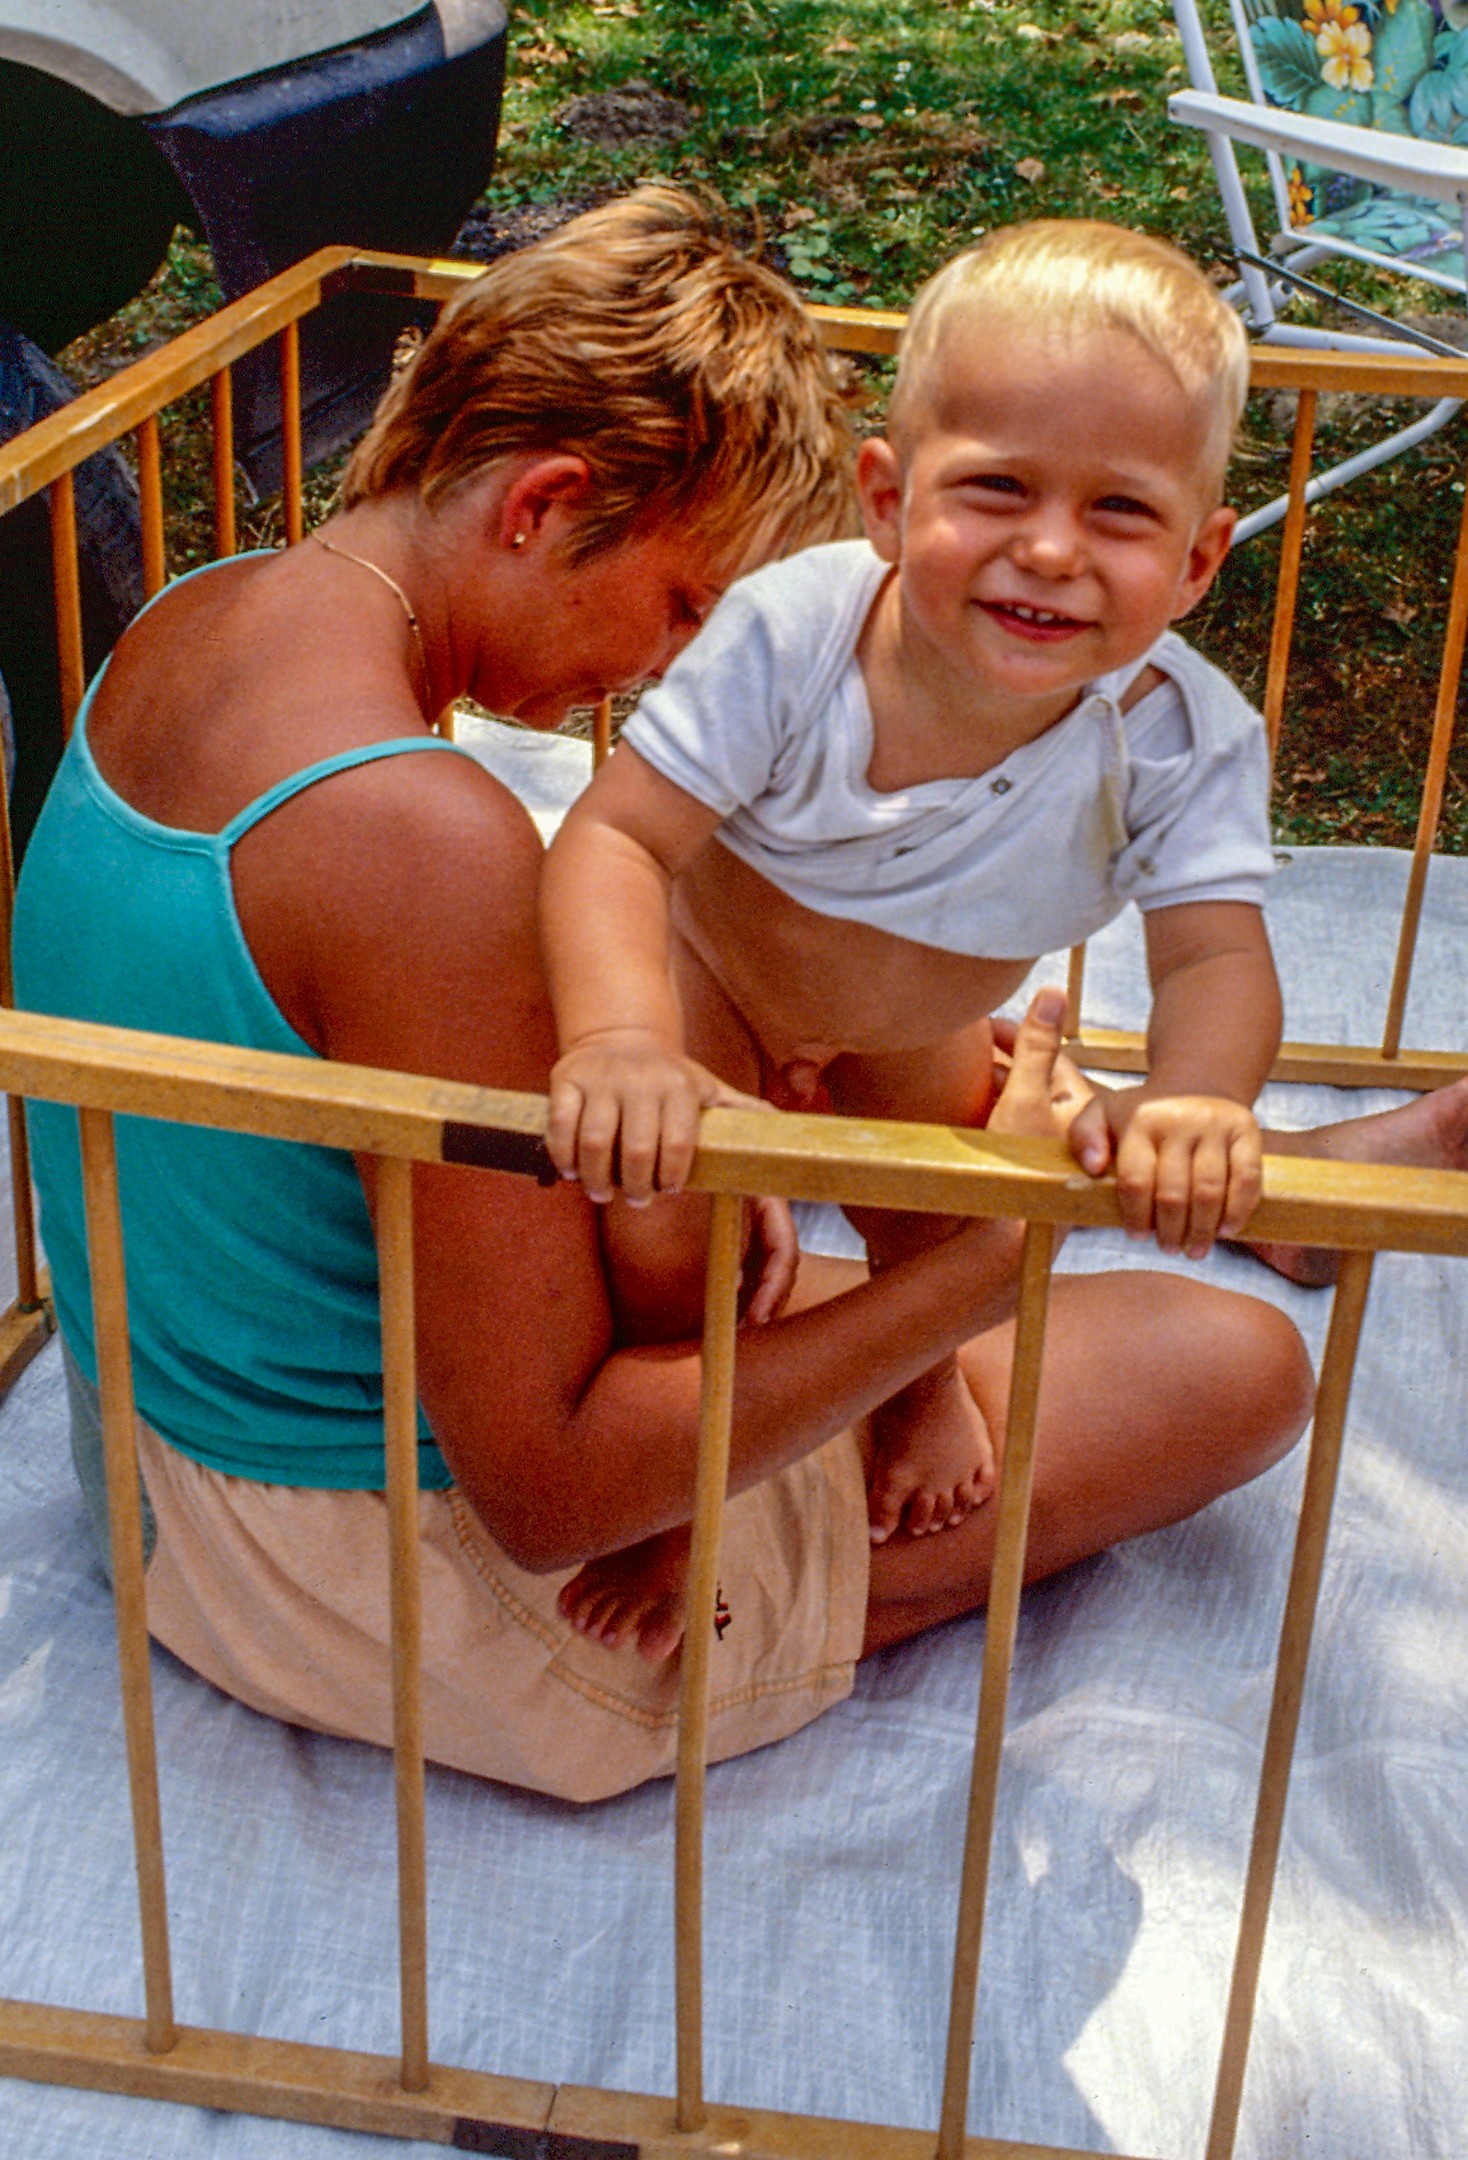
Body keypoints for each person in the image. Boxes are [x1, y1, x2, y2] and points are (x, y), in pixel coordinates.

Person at [11, 190, 1316, 1801]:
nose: (668, 669)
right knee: (1228, 1364)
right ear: (547, 503)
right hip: (375, 1576)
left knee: (844, 1119)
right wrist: (994, 1254)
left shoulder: (195, 611)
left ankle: (1299, 1165)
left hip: (148, 1459)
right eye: (689, 604)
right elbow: (550, 1496)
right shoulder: (423, 839)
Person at [541, 220, 1280, 1580]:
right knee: (663, 1223)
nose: (1049, 550)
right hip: (716, 980)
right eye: (997, 489)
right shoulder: (794, 634)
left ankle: (917, 1380)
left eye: (1120, 511)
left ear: (1197, 561)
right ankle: (671, 1481)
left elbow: (1214, 959)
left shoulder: (1183, 737)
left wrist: (1197, 1096)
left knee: (939, 1213)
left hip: (917, 1025)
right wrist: (621, 1040)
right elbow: (618, 839)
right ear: (885, 500)